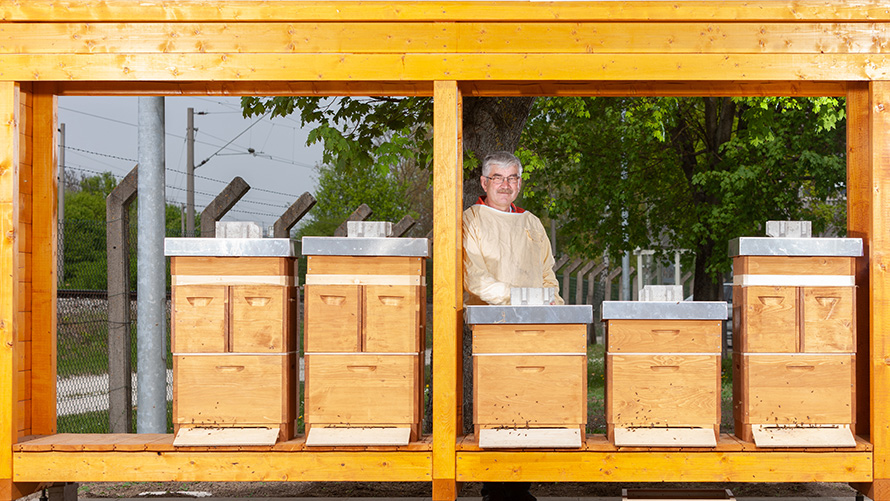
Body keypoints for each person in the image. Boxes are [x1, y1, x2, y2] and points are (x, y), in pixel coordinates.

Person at [462, 151, 563, 501]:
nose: (505, 185)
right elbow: (475, 278)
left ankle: (521, 486)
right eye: (498, 178)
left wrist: (553, 307)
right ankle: (494, 488)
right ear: (484, 182)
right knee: (496, 406)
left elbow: (548, 274)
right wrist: (517, 299)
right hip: (493, 327)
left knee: (531, 403)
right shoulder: (471, 220)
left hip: (535, 327)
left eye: (512, 178)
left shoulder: (532, 223)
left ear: (519, 183)